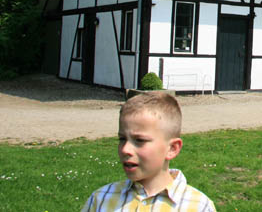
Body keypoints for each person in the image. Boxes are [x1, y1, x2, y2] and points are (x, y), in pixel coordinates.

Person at [81, 91, 216, 212]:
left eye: (139, 140)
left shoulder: (198, 206)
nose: (125, 149)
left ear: (172, 149)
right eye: (122, 139)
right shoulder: (101, 199)